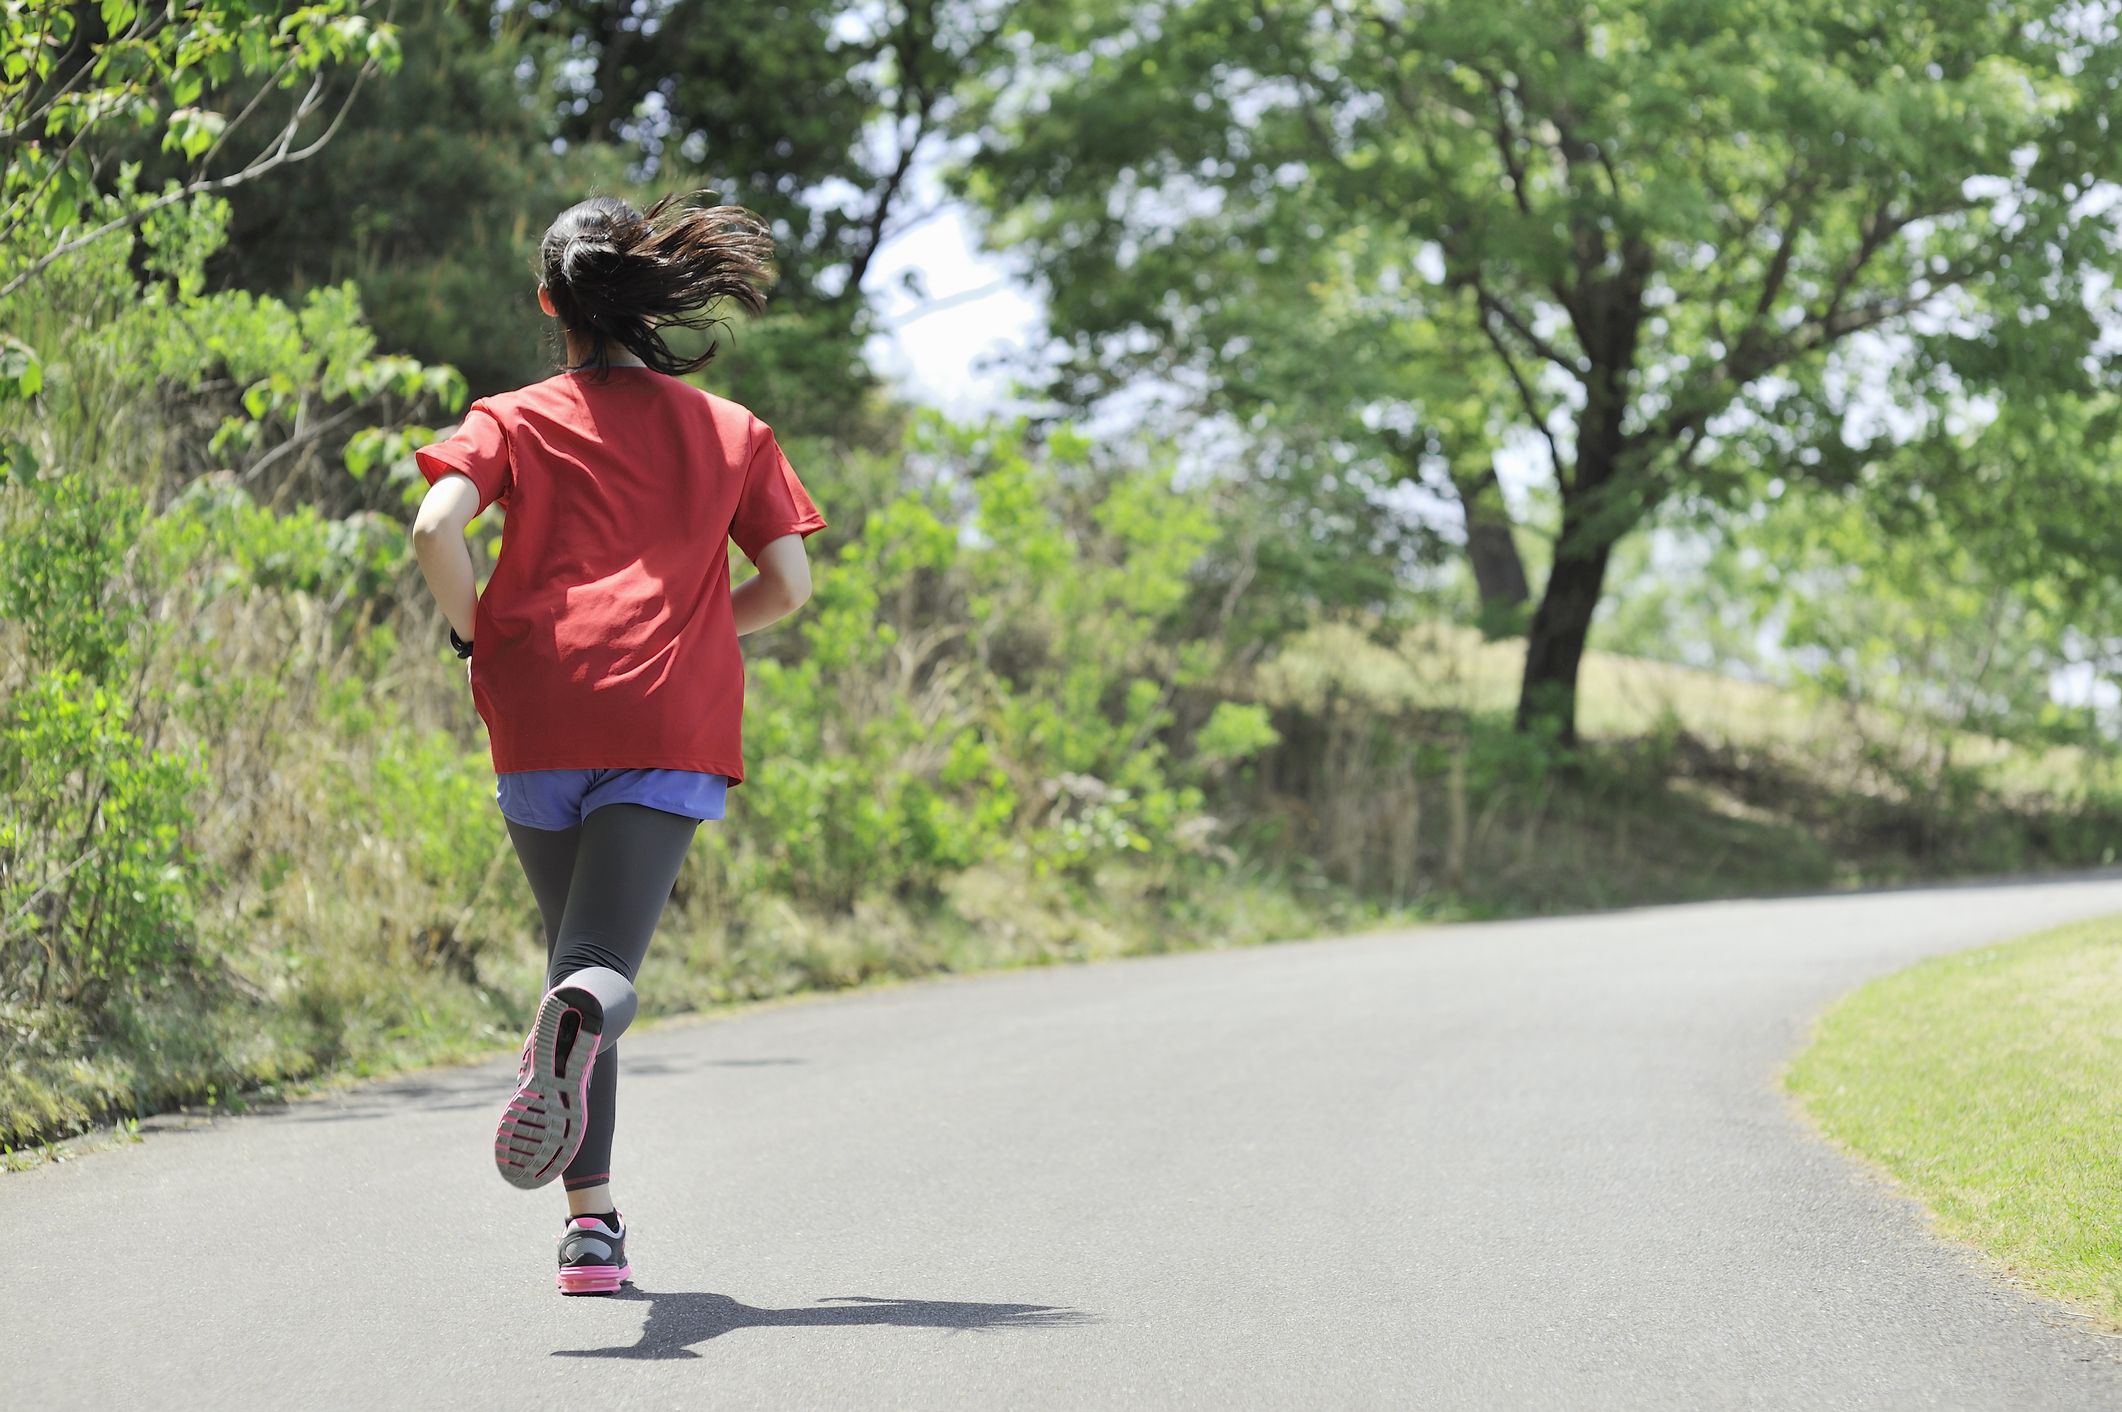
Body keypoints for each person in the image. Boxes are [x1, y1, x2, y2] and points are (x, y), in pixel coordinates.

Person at [407, 192, 825, 1296]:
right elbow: (787, 584)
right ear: (642, 295)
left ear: (552, 301)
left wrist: (472, 631)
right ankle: (585, 1096)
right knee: (593, 981)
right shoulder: (732, 430)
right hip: (663, 718)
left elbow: (433, 527)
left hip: (536, 708)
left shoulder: (510, 414)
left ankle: (592, 1230)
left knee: (575, 967)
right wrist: (695, 631)